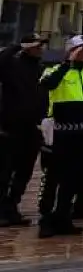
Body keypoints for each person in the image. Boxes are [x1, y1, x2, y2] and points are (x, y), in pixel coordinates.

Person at [38, 35, 83, 238]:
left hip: (82, 134)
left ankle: (63, 217)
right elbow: (48, 85)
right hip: (59, 133)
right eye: (81, 49)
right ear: (70, 51)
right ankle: (46, 220)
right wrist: (68, 63)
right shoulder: (54, 70)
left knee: (73, 178)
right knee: (52, 178)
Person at [0, 34, 47, 227]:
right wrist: (17, 46)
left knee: (24, 172)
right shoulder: (12, 64)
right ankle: (1, 210)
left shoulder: (41, 69)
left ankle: (12, 207)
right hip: (11, 128)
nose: (40, 49)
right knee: (5, 172)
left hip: (33, 129)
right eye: (36, 45)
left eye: (42, 46)